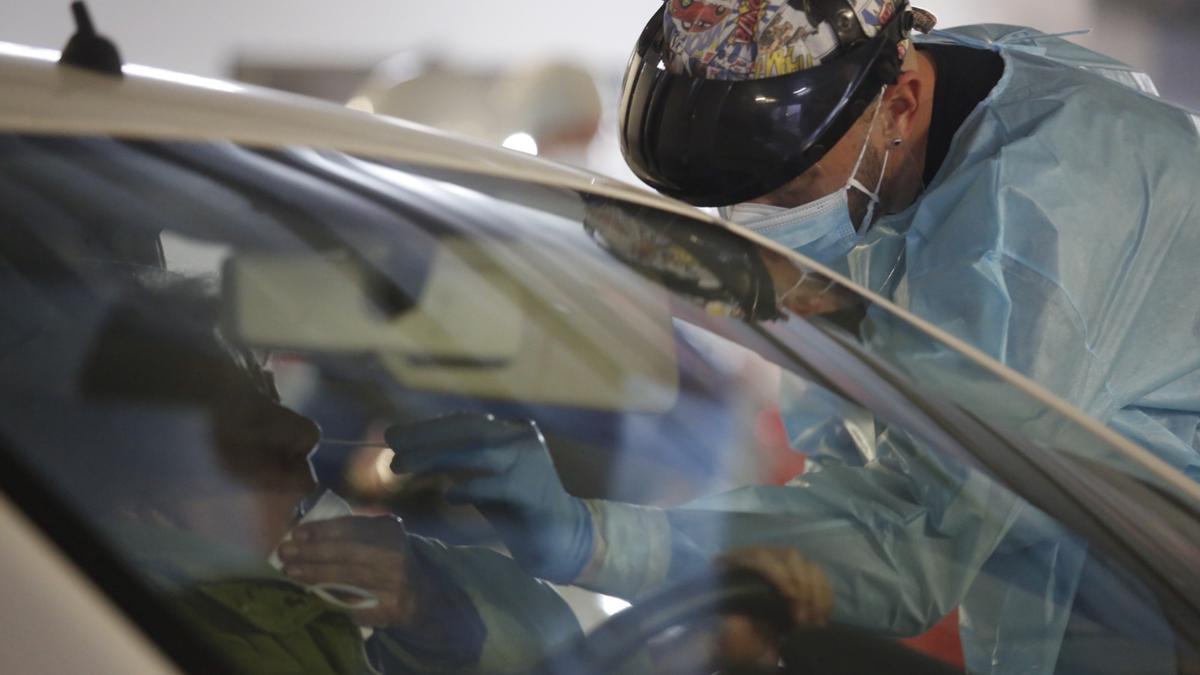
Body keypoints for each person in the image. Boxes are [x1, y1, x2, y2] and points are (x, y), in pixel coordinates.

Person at [370, 2, 1200, 673]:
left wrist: (600, 539)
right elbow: (856, 461)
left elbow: (911, 538)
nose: (752, 225)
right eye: (730, 203)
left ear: (900, 105)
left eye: (788, 188)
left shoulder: (1037, 231)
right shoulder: (910, 116)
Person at [13, 276, 581, 674]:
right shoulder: (192, 640)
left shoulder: (280, 614)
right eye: (243, 423)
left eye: (268, 390)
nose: (304, 433)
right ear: (136, 498)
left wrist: (428, 608)